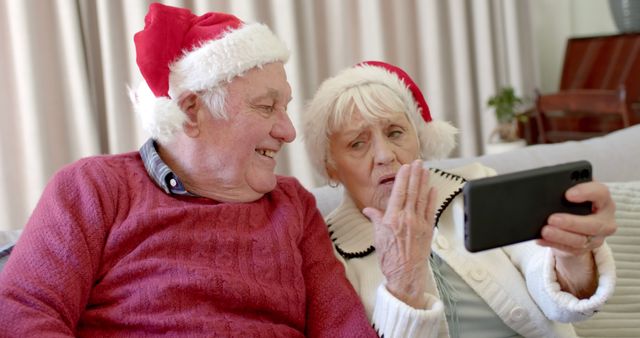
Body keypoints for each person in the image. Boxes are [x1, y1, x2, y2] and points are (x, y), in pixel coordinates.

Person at [0, 4, 380, 337]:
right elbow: (23, 314)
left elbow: (343, 327)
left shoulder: (293, 206)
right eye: (267, 107)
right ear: (192, 111)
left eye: (285, 108)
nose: (288, 130)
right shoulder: (93, 188)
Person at [301, 61, 618, 337]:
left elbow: (562, 301)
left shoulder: (475, 184)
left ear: (421, 140)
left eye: (396, 133)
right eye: (358, 143)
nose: (385, 155)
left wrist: (573, 257)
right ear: (331, 167)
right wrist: (404, 279)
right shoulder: (327, 253)